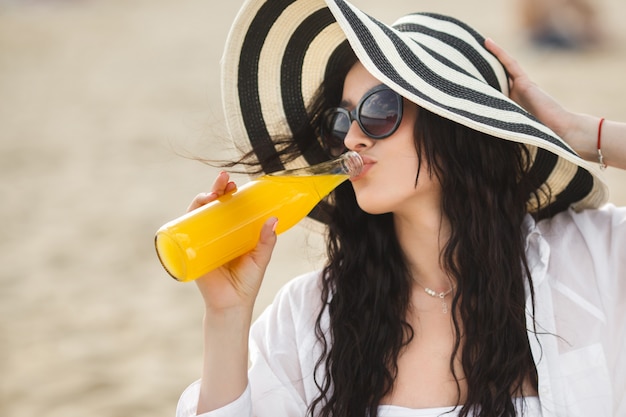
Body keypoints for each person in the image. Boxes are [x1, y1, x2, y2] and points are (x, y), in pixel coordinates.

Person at [175, 0, 625, 416]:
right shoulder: (311, 315)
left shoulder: (591, 257)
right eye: (340, 121)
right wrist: (227, 316)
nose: (353, 138)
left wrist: (586, 133)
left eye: (380, 109)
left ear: (459, 124)